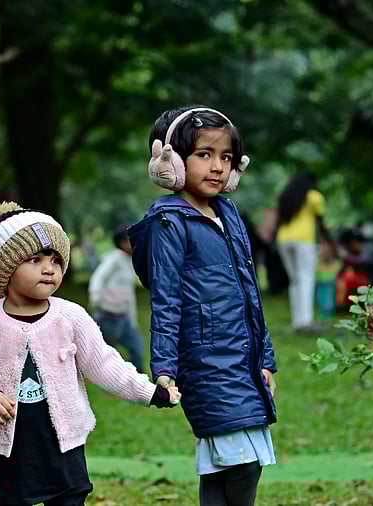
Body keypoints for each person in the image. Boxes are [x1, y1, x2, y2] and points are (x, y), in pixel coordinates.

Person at [0, 202, 180, 506]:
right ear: (6, 267)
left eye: (56, 260)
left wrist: (150, 392)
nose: (49, 269)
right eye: (35, 259)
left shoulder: (70, 317)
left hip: (63, 445)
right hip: (9, 449)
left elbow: (104, 363)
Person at [130, 105, 277, 506]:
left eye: (226, 157)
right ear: (172, 163)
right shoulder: (169, 222)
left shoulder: (228, 213)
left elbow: (250, 293)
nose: (217, 167)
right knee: (243, 463)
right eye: (203, 155)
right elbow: (165, 300)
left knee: (227, 466)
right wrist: (164, 368)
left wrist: (265, 358)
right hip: (205, 361)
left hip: (242, 361)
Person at [275, 171, 331, 332]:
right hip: (304, 240)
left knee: (295, 281)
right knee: (306, 279)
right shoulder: (314, 196)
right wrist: (330, 241)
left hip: (283, 239)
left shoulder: (285, 196)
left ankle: (297, 321)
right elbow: (320, 222)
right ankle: (306, 322)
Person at [88, 224, 145, 372]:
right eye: (131, 240)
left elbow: (129, 293)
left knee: (137, 345)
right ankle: (113, 377)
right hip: (108, 316)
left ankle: (138, 376)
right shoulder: (114, 258)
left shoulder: (130, 261)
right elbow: (98, 277)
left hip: (123, 316)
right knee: (110, 354)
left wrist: (133, 320)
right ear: (122, 242)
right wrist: (96, 299)